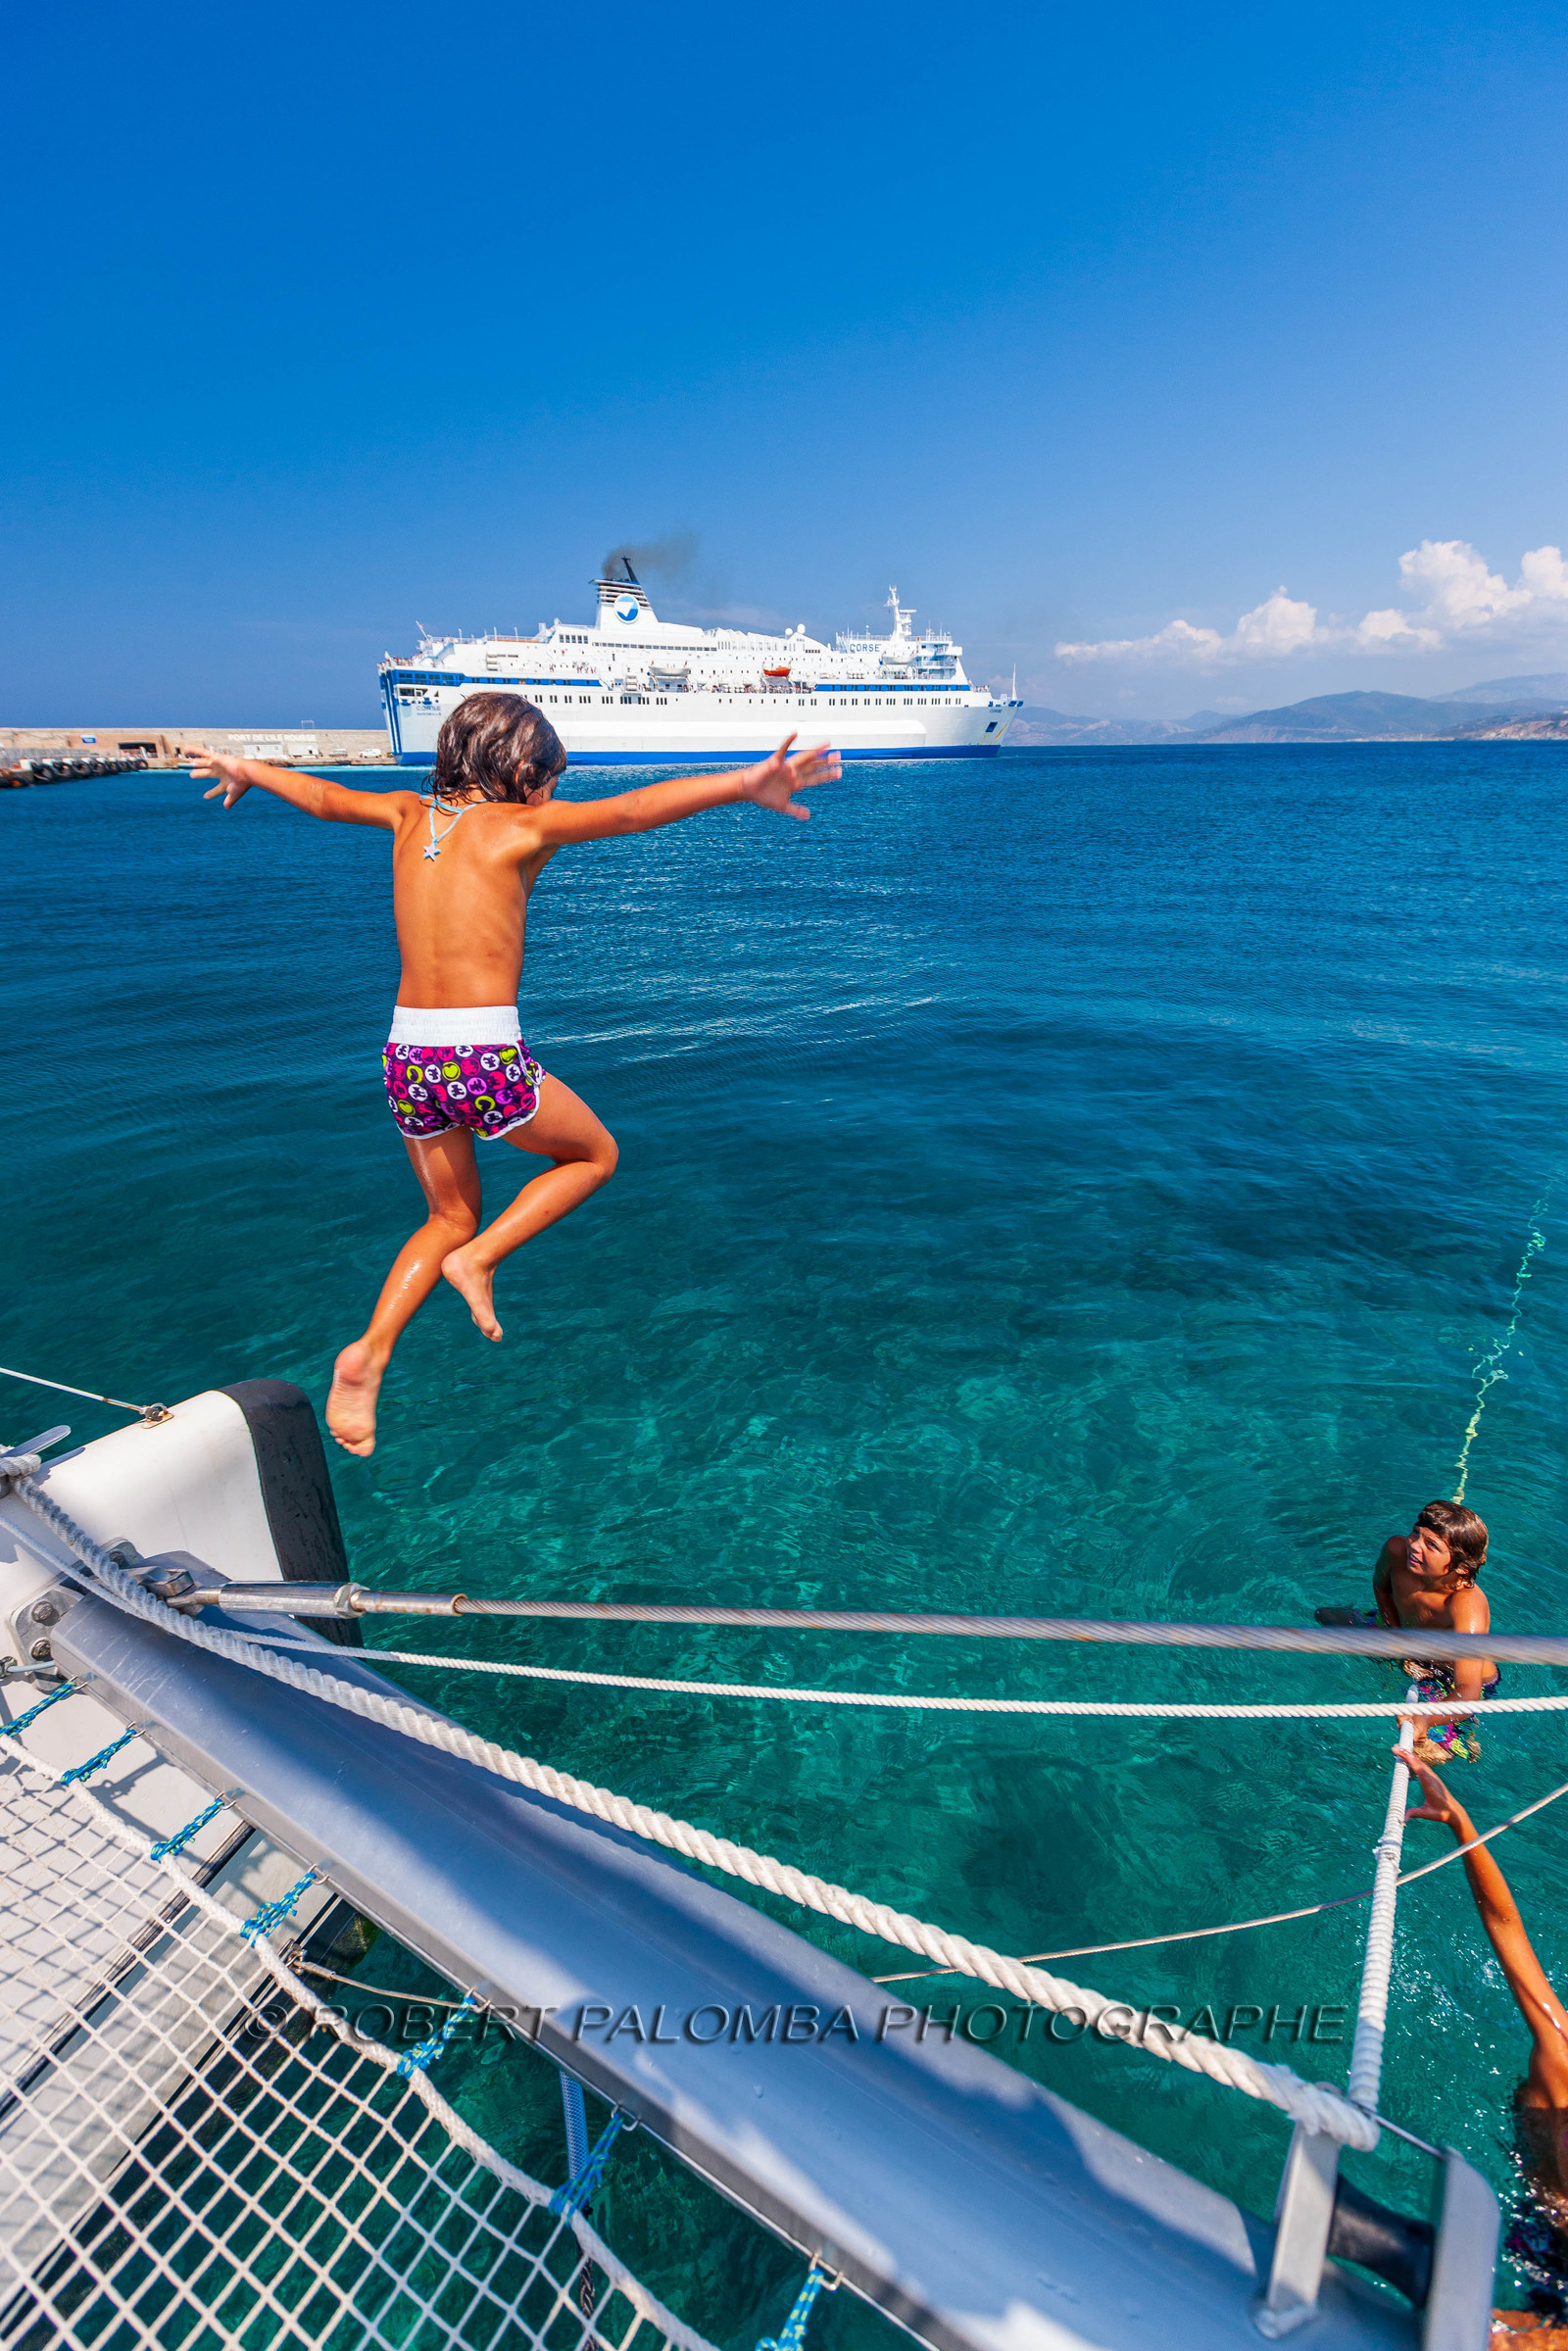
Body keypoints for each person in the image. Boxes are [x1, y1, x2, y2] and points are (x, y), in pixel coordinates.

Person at [192, 696, 840, 1456]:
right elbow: (631, 812)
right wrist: (743, 784)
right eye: (552, 779)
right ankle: (482, 1259)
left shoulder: (406, 815)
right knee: (595, 1155)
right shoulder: (520, 825)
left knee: (445, 1214)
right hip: (478, 1054)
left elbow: (326, 797)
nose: (555, 795)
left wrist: (246, 767)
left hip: (406, 1056)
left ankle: (369, 1353)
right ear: (523, 769)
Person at [1401, 1750, 1568, 2337]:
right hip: (1539, 2241)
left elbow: (1508, 1931)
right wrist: (1461, 1824)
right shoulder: (1561, 2053)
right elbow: (1506, 1929)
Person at [1321, 1501, 1497, 1762]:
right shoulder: (1396, 1551)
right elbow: (1381, 1588)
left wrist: (1426, 1719)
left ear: (1462, 1568)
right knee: (1326, 1618)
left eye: (1432, 1545)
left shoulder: (1465, 1604)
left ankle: (1463, 1737)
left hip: (1449, 1677)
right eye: (1417, 1533)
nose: (1414, 1544)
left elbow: (1468, 1690)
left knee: (1421, 1755)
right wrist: (1396, 1639)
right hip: (1401, 1635)